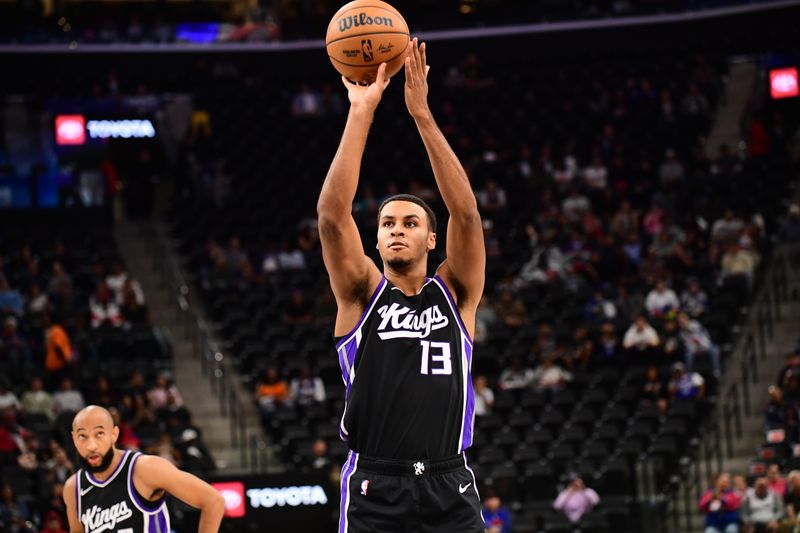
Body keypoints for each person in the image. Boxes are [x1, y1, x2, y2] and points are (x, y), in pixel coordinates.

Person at [318, 40, 485, 532]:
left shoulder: (455, 291)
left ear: (432, 239)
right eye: (387, 222)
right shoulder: (360, 293)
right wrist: (362, 110)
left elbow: (468, 216)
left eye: (410, 222)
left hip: (449, 483)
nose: (395, 228)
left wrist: (421, 114)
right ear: (376, 238)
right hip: (375, 485)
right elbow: (331, 217)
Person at [63, 405, 224, 533]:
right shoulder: (73, 488)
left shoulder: (144, 469)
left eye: (99, 434)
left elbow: (213, 501)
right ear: (74, 439)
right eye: (82, 436)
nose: (91, 446)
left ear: (114, 434)